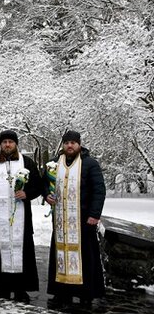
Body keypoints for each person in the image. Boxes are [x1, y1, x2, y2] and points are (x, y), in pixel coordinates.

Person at [0, 130, 42, 302]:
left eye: (10, 142)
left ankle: (21, 288)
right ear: (0, 144)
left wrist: (27, 193)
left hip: (21, 217)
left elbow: (38, 185)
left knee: (22, 249)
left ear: (16, 144)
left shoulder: (26, 162)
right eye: (4, 142)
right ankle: (2, 286)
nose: (7, 145)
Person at [45, 130, 106, 305]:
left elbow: (99, 191)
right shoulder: (55, 163)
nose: (69, 146)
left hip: (82, 220)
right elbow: (46, 184)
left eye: (73, 143)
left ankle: (85, 293)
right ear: (63, 145)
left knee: (85, 257)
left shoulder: (90, 164)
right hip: (60, 221)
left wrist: (94, 214)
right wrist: (46, 195)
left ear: (79, 144)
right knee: (60, 255)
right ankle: (61, 291)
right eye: (66, 143)